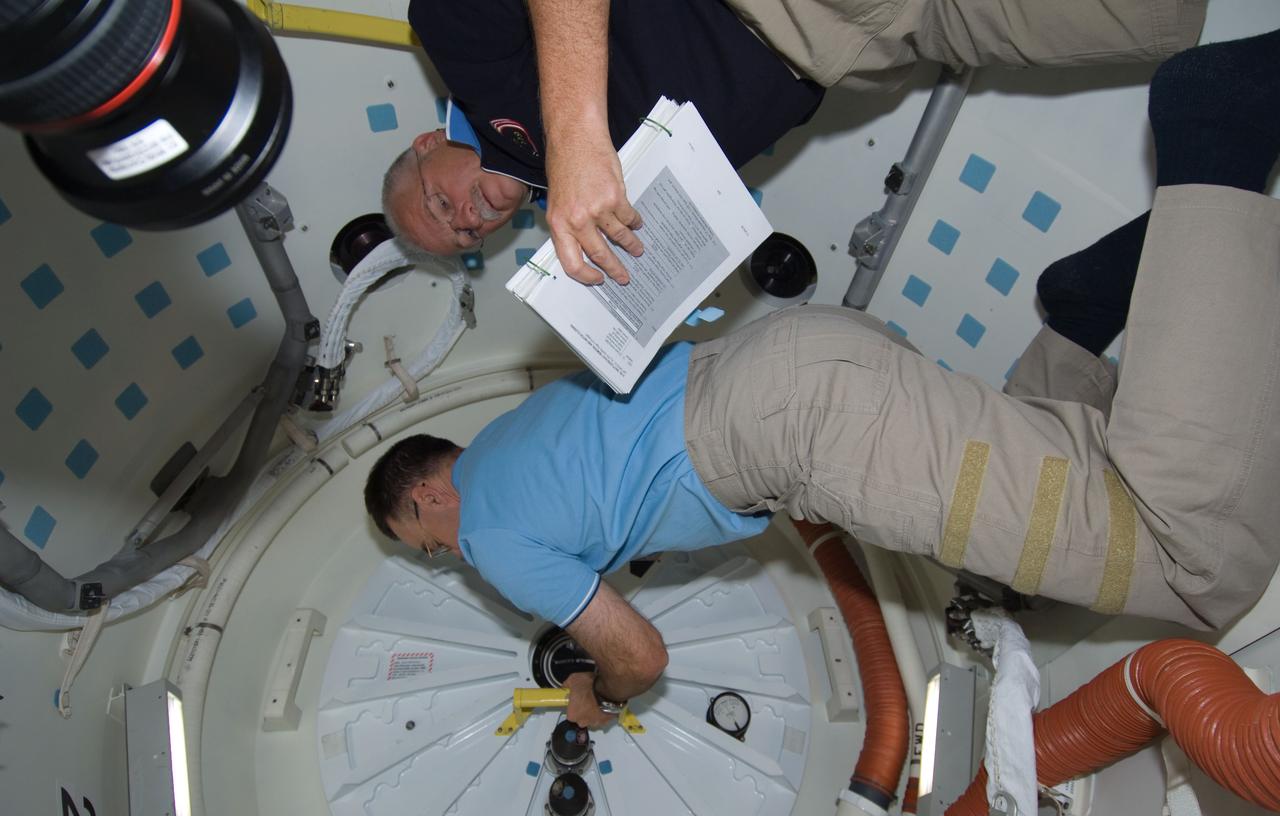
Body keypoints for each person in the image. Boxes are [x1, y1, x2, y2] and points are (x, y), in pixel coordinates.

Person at [366, 28, 1280, 728]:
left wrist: (592, 693)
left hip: (800, 428)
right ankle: (1075, 324)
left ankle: (1215, 136)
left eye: (424, 544)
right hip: (789, 371)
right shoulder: (519, 433)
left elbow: (641, 657)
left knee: (1187, 558)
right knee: (1016, 551)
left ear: (424, 500)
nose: (445, 557)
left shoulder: (488, 534)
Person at [388, 0, 1207, 286]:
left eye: (438, 202)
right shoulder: (587, 217)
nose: (468, 218)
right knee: (1163, 22)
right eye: (462, 236)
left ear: (429, 143)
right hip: (879, 50)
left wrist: (573, 143)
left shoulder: (455, 45)